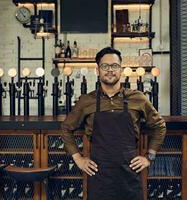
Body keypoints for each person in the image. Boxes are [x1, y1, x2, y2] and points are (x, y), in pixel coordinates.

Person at [61, 47, 166, 200]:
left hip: (129, 175)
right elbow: (66, 129)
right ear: (98, 70)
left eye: (115, 66)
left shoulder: (138, 98)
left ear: (121, 69)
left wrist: (149, 157)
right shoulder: (86, 101)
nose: (110, 70)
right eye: (105, 66)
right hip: (99, 175)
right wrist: (78, 159)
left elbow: (159, 126)